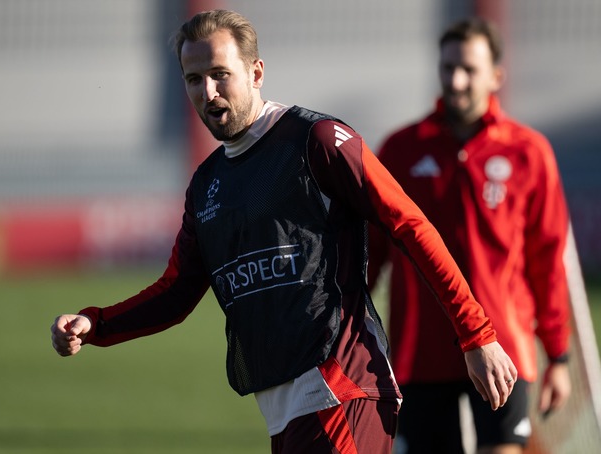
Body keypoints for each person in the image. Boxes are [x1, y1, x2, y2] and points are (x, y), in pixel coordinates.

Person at [51, 10, 517, 454]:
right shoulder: (207, 183)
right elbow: (176, 292)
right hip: (283, 406)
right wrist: (97, 323)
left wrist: (476, 335)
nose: (208, 91)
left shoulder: (317, 141)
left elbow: (410, 225)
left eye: (220, 74)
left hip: (342, 388)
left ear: (256, 73)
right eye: (194, 79)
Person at [367, 17, 571, 454]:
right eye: (447, 68)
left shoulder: (528, 152)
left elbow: (547, 259)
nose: (455, 81)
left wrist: (558, 356)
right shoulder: (400, 150)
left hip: (505, 345)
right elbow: (371, 253)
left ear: (496, 76)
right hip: (421, 353)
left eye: (469, 70)